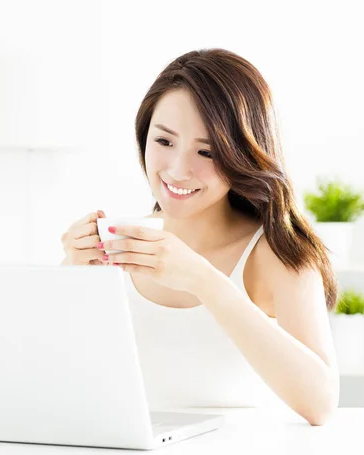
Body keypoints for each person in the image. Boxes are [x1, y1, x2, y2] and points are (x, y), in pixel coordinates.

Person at [60, 48, 340, 425]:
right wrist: (66, 275)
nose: (178, 170)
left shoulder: (276, 254)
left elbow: (320, 404)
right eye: (163, 142)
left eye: (206, 151)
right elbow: (53, 376)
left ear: (242, 155)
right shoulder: (116, 244)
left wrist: (203, 279)